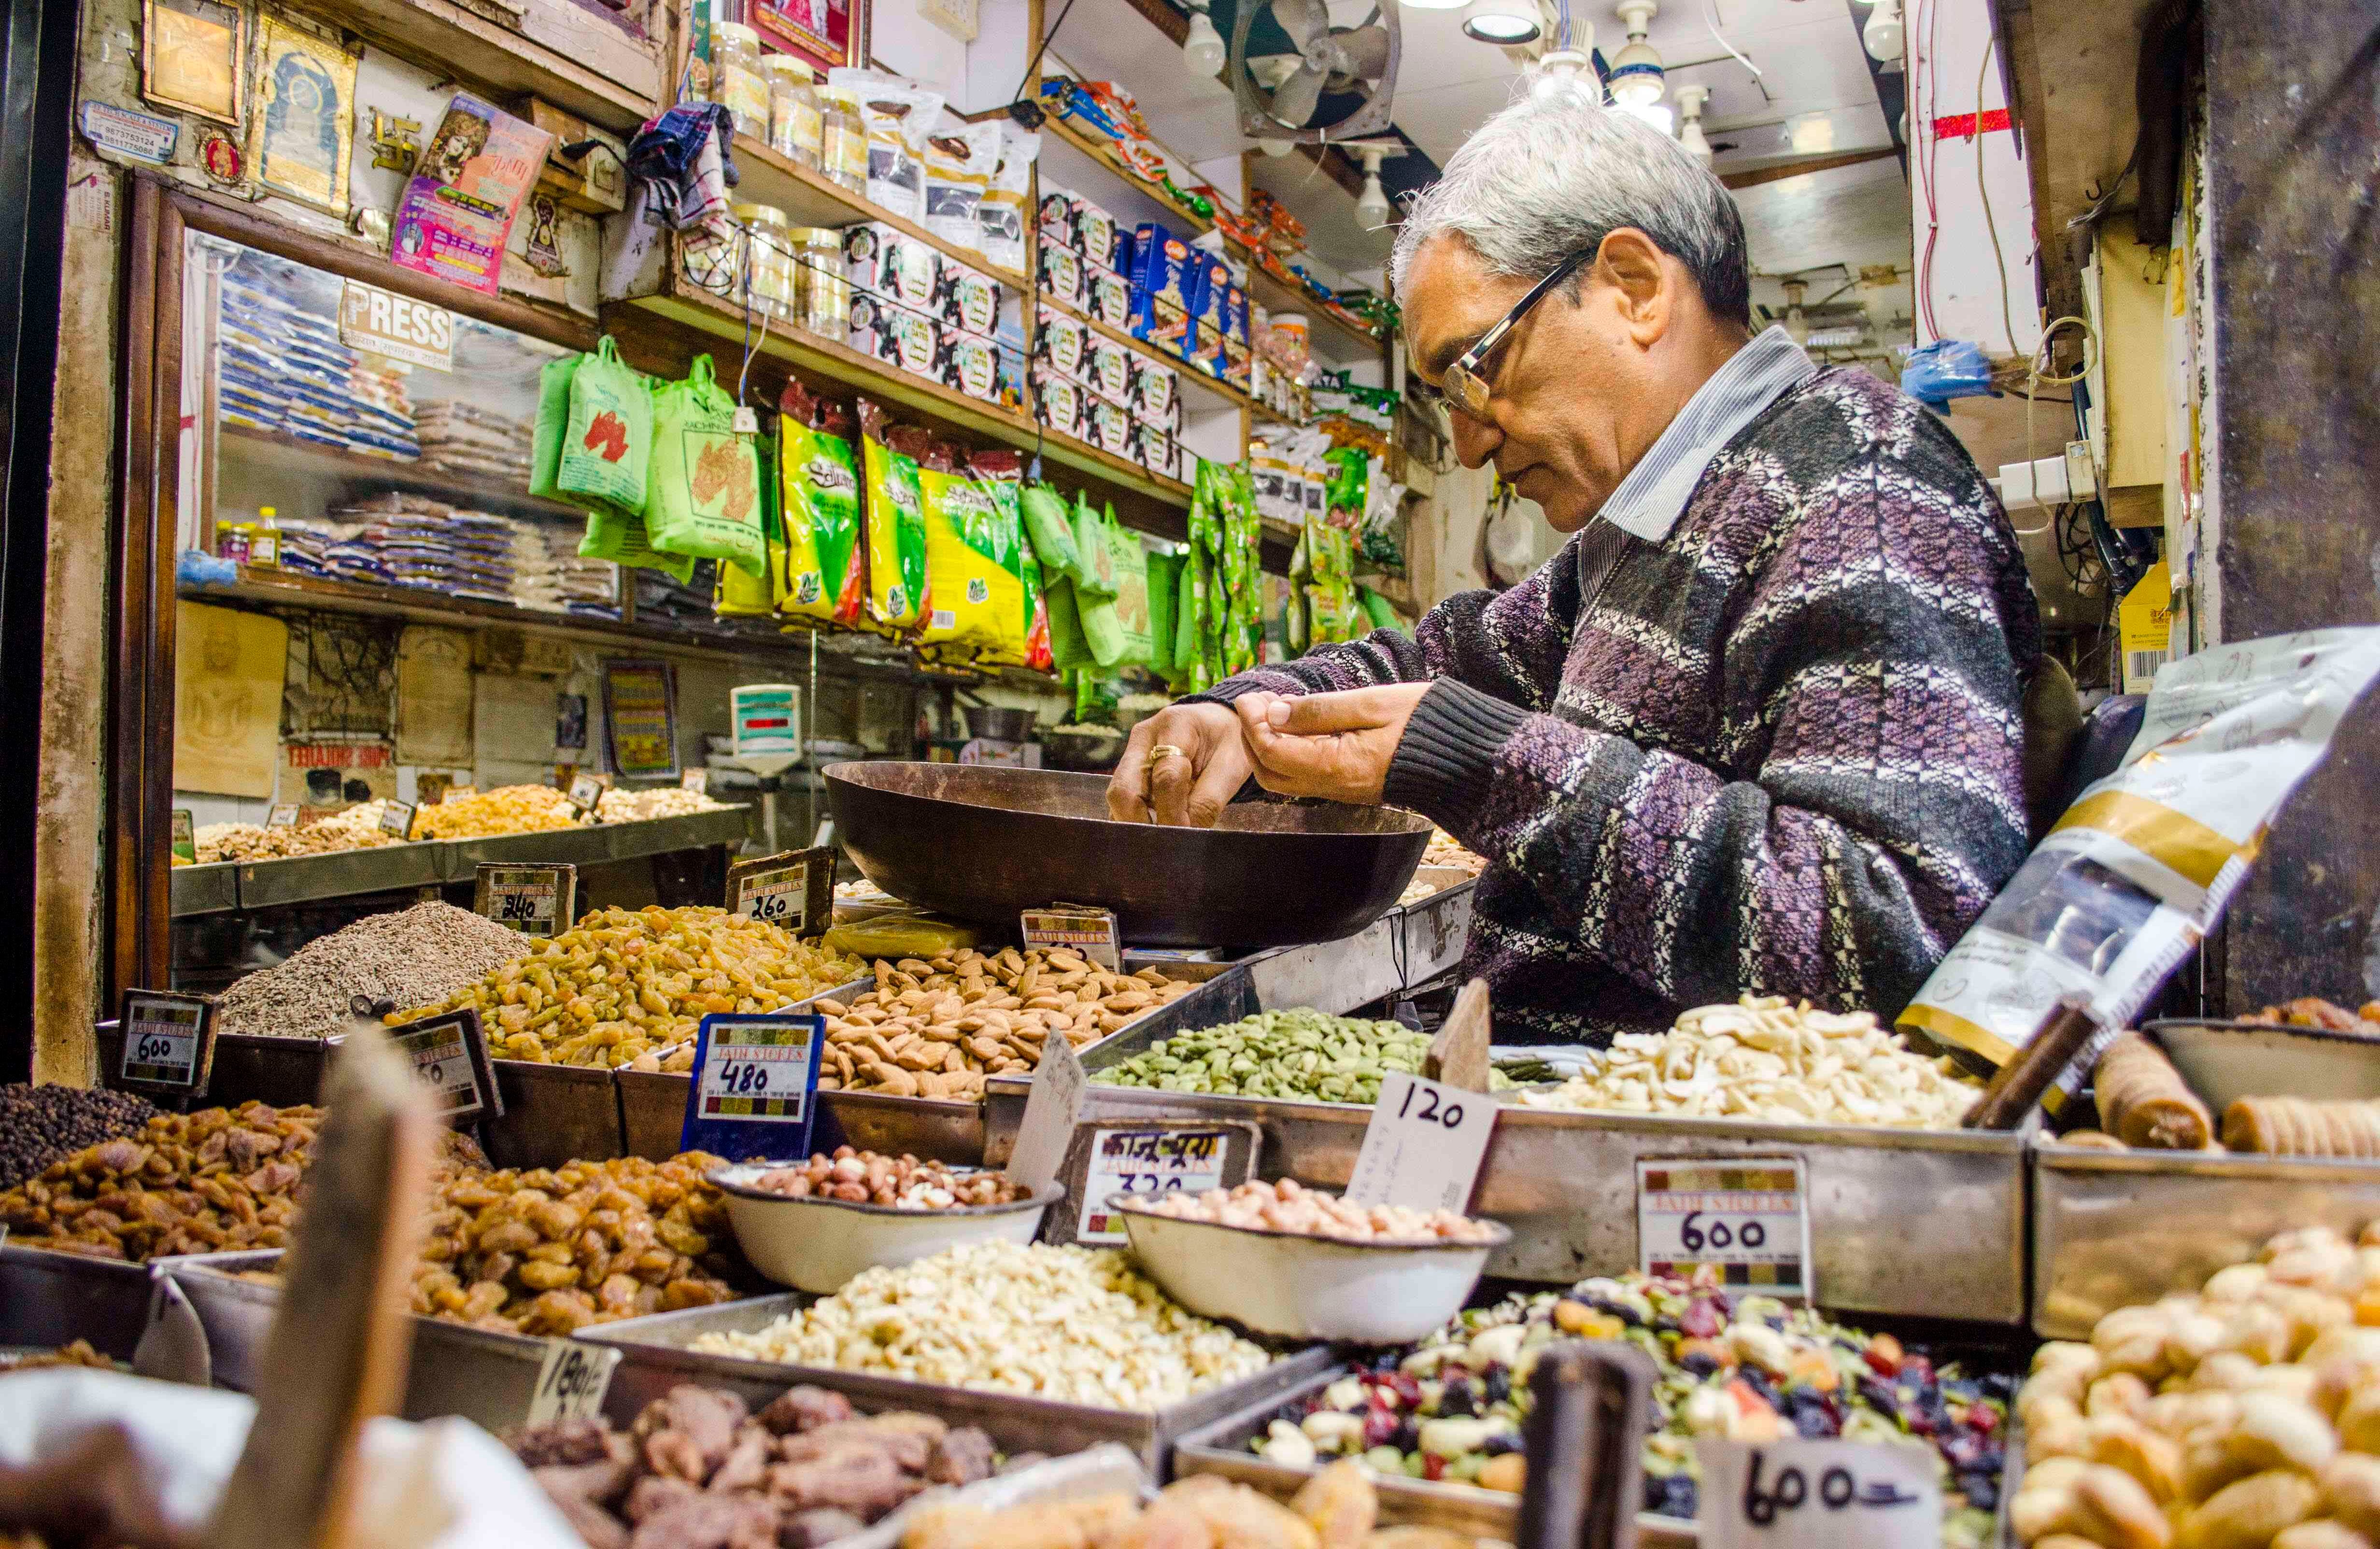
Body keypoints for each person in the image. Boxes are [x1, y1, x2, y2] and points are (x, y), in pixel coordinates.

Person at [1108, 87, 2049, 1046]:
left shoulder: (1859, 477)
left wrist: (1490, 763)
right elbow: (1439, 659)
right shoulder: (1646, 530)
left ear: (1633, 287)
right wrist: (1241, 712)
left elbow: (1891, 932)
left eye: (1475, 367)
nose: (1468, 444)